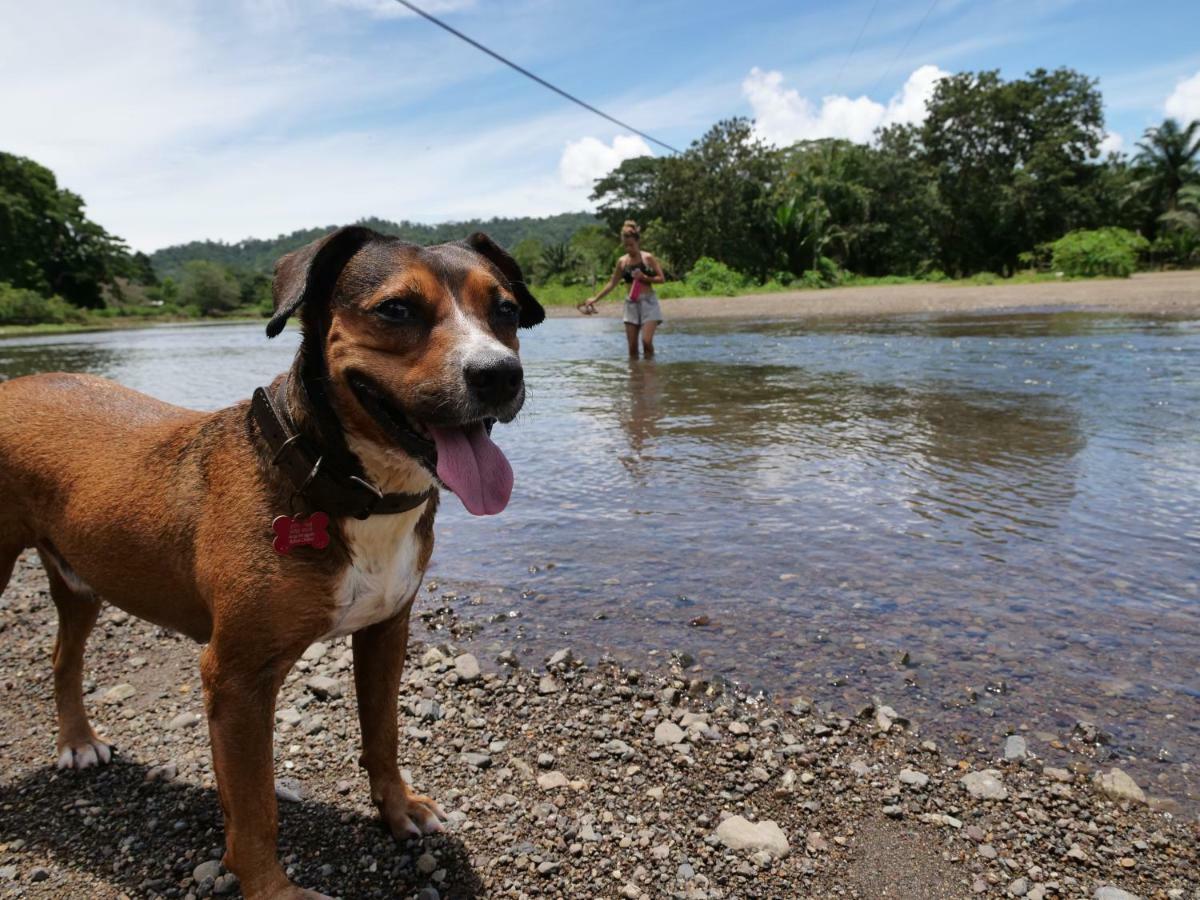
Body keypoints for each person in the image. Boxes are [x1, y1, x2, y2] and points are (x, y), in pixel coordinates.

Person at [579, 221, 666, 358]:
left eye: (631, 245)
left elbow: (661, 279)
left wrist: (644, 277)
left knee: (646, 341)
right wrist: (595, 298)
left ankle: (650, 371)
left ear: (638, 241)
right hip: (631, 303)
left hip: (648, 303)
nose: (629, 248)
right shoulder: (622, 262)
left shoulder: (647, 258)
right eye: (626, 246)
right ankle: (635, 376)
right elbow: (612, 283)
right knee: (632, 348)